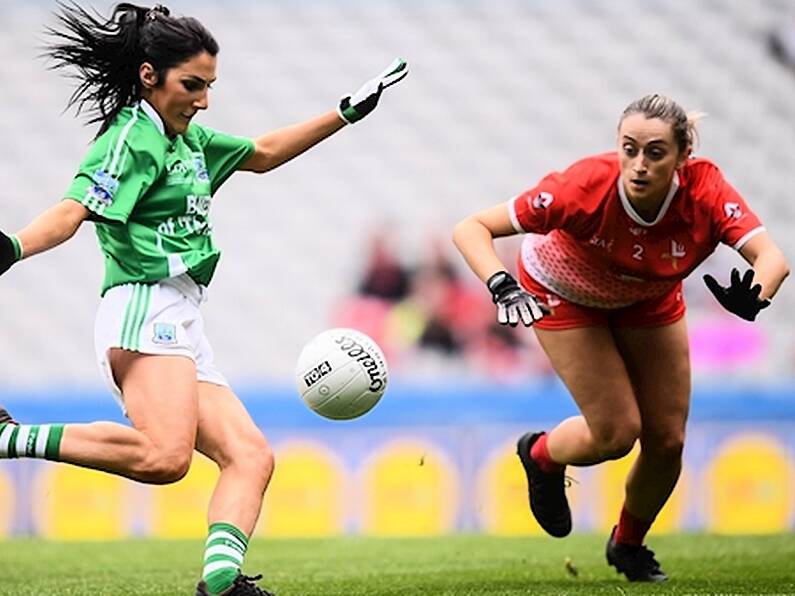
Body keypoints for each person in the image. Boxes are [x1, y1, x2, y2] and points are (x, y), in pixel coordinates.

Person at [0, 3, 407, 595]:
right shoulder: (131, 139)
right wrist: (11, 247)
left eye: (210, 86)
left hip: (183, 317)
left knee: (250, 457)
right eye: (193, 85)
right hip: (143, 305)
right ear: (148, 75)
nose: (204, 99)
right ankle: (9, 438)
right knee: (166, 459)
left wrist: (344, 113)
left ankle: (222, 584)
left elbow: (263, 153)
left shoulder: (189, 141)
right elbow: (73, 211)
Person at [452, 94, 789, 582]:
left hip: (648, 299)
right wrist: (501, 285)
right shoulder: (583, 186)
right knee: (616, 434)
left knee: (667, 440)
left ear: (682, 157)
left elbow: (772, 259)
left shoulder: (706, 191)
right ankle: (541, 456)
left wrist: (756, 294)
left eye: (655, 153)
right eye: (628, 149)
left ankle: (628, 545)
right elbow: (471, 228)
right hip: (562, 290)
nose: (638, 165)